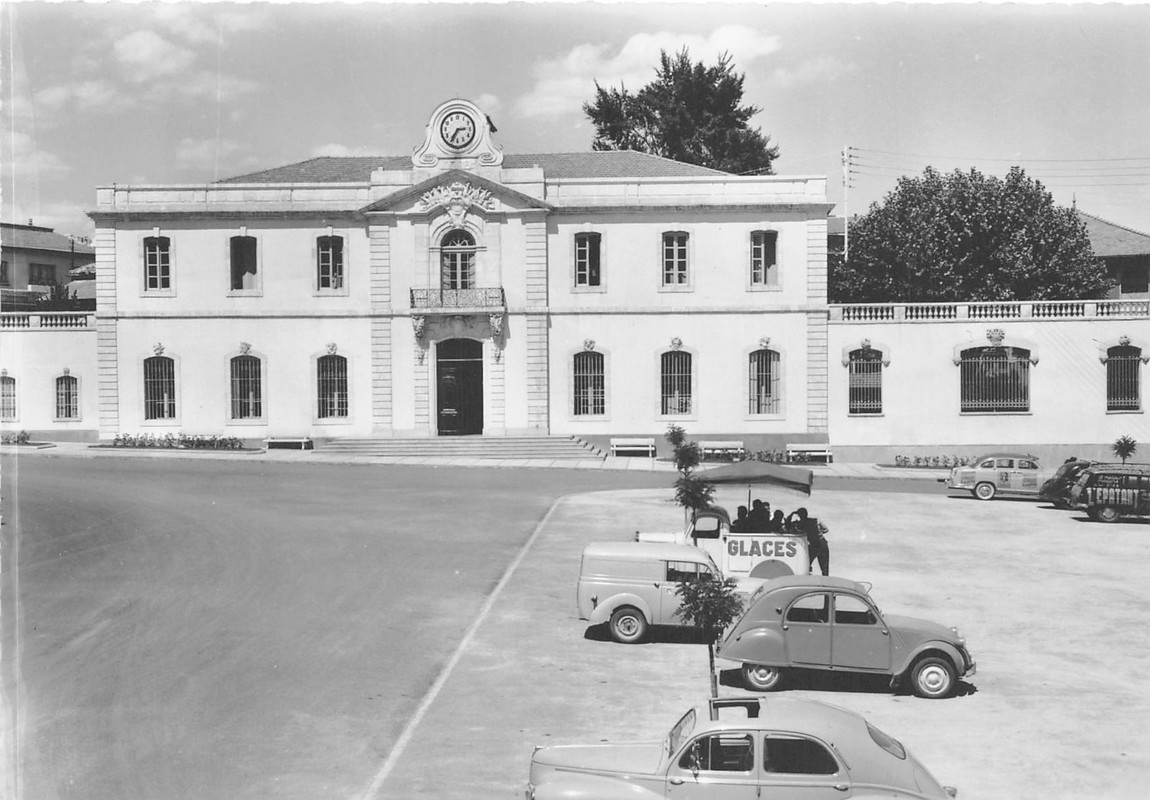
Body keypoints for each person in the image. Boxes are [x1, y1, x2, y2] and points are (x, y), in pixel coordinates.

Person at [787, 507, 830, 576]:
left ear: (799, 515)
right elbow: (826, 529)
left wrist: (792, 514)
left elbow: (788, 525)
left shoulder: (800, 524)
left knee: (806, 565)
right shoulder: (815, 520)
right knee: (824, 567)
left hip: (813, 546)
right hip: (822, 543)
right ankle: (826, 582)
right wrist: (819, 533)